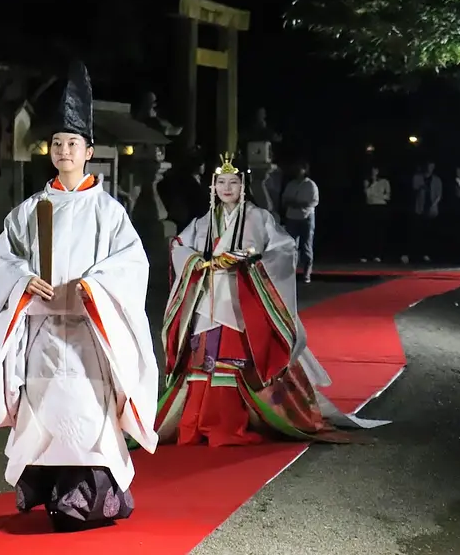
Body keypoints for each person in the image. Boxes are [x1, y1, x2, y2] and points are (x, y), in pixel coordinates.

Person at [0, 61, 159, 532]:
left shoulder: (108, 213)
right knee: (46, 416)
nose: (64, 151)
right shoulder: (28, 211)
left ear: (89, 151)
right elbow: (6, 258)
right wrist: (23, 278)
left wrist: (93, 285)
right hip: (42, 333)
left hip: (88, 332)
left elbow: (131, 264)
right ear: (51, 151)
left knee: (86, 415)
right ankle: (53, 497)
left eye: (73, 144)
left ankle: (88, 501)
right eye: (58, 144)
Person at [153, 154, 386, 447]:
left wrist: (253, 260)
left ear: (243, 186)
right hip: (209, 298)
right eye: (221, 182)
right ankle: (197, 422)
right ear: (213, 187)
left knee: (237, 360)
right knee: (202, 362)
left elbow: (284, 249)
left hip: (243, 298)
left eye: (233, 182)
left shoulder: (258, 218)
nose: (227, 188)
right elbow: (179, 245)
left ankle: (236, 421)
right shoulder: (203, 222)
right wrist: (197, 262)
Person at [281, 160, 318, 283]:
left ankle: (307, 273)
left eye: (300, 168)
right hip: (292, 217)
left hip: (305, 217)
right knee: (291, 247)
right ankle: (291, 273)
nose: (297, 171)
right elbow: (284, 199)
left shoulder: (310, 185)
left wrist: (299, 204)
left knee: (306, 246)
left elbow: (313, 202)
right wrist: (291, 203)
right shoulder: (291, 184)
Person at [410, 161, 442, 263]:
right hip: (420, 207)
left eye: (432, 166)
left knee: (429, 231)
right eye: (429, 166)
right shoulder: (418, 177)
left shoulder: (436, 179)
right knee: (418, 231)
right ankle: (417, 254)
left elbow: (439, 194)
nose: (430, 168)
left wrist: (434, 205)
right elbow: (414, 188)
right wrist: (420, 187)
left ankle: (427, 254)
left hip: (431, 208)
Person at [360, 165, 391, 263]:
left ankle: (378, 255)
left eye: (376, 170)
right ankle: (366, 254)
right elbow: (367, 195)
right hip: (370, 207)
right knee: (368, 232)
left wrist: (379, 196)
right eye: (372, 170)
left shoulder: (385, 182)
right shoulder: (367, 181)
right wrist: (373, 184)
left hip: (381, 207)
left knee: (379, 232)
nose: (374, 172)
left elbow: (387, 196)